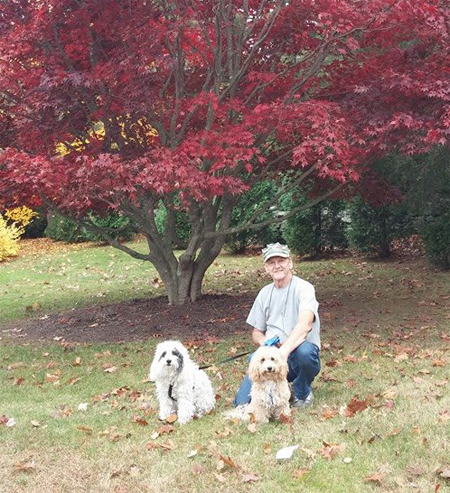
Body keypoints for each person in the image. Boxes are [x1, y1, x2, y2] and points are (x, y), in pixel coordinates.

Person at [233, 242, 321, 408]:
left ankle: (302, 391)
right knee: (241, 404)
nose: (277, 266)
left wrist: (284, 351)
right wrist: (265, 343)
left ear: (290, 263)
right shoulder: (264, 293)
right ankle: (268, 392)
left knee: (306, 353)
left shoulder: (305, 288)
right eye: (271, 263)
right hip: (271, 358)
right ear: (266, 268)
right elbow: (256, 332)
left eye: (281, 261)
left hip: (296, 354)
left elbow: (306, 324)